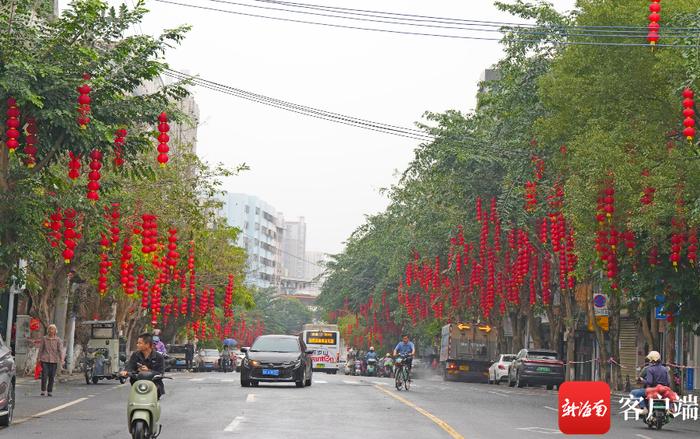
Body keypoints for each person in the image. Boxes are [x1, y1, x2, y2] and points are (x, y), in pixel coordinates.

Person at [120, 333, 165, 399]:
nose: (137, 345)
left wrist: (148, 371)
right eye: (137, 343)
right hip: (137, 387)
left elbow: (160, 373)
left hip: (154, 388)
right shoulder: (135, 354)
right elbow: (130, 366)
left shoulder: (159, 357)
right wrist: (125, 372)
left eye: (140, 343)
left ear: (147, 345)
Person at [630, 351, 672, 415]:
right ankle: (669, 409)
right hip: (663, 391)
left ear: (651, 360)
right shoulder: (665, 369)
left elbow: (649, 382)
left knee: (633, 393)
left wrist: (642, 380)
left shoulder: (649, 369)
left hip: (652, 390)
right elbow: (668, 382)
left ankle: (644, 408)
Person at [37, 324, 64, 397]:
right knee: (44, 375)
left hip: (54, 360)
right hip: (44, 359)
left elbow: (60, 350)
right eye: (50, 329)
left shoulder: (58, 340)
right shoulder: (44, 339)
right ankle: (43, 390)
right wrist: (38, 358)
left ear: (55, 331)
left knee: (52, 376)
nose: (51, 330)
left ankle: (50, 391)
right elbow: (41, 349)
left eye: (52, 329)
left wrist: (62, 359)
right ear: (48, 330)